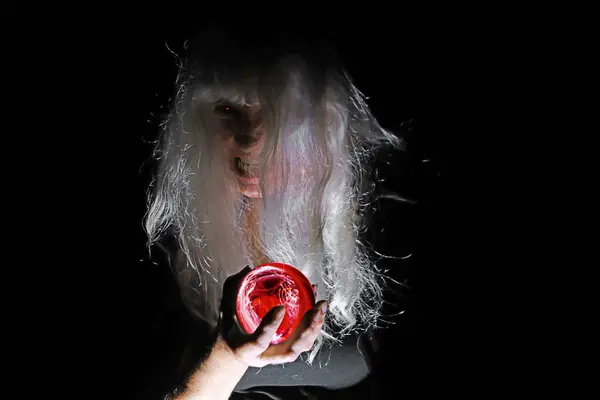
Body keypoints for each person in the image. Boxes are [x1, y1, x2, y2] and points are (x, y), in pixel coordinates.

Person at [141, 28, 412, 399]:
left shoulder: (385, 218)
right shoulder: (168, 241)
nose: (249, 138)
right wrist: (227, 358)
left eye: (277, 113)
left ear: (322, 120)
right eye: (226, 110)